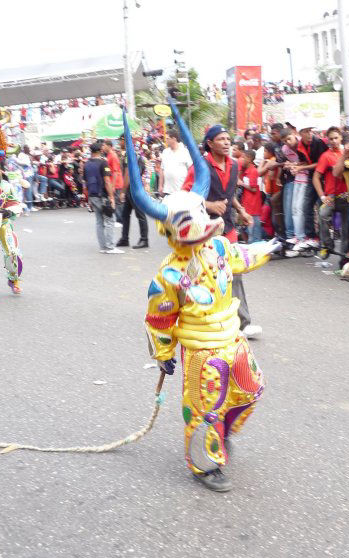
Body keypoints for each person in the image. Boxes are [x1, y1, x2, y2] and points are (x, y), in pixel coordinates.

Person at [123, 101, 280, 492]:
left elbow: (242, 256)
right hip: (201, 350)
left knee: (251, 388)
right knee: (204, 409)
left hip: (233, 338)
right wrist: (162, 356)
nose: (201, 228)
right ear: (173, 232)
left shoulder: (218, 249)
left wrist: (269, 248)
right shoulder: (169, 275)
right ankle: (205, 465)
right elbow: (158, 320)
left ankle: (223, 432)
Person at [182, 125, 262, 339]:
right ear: (210, 143)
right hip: (205, 229)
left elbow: (229, 193)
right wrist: (209, 205)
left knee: (234, 272)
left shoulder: (234, 165)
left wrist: (241, 210)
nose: (227, 142)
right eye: (221, 139)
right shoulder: (199, 167)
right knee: (206, 274)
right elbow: (184, 196)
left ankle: (242, 323)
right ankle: (203, 318)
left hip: (228, 228)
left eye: (228, 139)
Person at [312, 127, 348, 259]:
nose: (333, 141)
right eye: (331, 139)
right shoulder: (325, 156)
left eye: (336, 138)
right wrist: (322, 196)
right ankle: (327, 244)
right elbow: (316, 177)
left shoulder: (348, 152)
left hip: (347, 195)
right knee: (322, 214)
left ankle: (344, 257)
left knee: (346, 229)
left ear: (341, 138)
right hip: (331, 197)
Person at [291, 125, 328, 251]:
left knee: (322, 208)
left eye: (310, 131)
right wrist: (295, 165)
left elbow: (321, 163)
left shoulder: (318, 143)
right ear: (300, 133)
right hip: (312, 178)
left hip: (324, 179)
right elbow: (306, 162)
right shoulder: (300, 145)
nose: (309, 134)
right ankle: (311, 237)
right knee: (307, 206)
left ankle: (324, 240)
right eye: (306, 131)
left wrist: (301, 168)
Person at [0, 155, 24, 296]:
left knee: (12, 253)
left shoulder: (6, 186)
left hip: (4, 224)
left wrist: (8, 211)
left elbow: (15, 203)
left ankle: (13, 280)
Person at [83, 142, 122, 254]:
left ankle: (103, 247)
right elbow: (107, 180)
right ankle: (110, 246)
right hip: (102, 195)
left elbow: (84, 183)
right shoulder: (103, 163)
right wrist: (111, 197)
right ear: (100, 150)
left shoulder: (86, 164)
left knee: (99, 221)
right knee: (110, 219)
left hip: (92, 195)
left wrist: (87, 198)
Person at [116, 134, 149, 249]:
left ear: (124, 141)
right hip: (134, 187)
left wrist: (122, 191)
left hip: (133, 189)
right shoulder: (134, 153)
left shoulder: (129, 155)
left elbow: (127, 174)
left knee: (140, 214)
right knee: (125, 215)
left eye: (120, 140)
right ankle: (125, 238)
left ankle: (144, 239)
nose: (119, 143)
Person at [158, 129, 192, 197]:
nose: (166, 141)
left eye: (168, 138)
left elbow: (191, 170)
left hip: (182, 191)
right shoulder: (165, 152)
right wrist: (160, 186)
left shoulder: (185, 152)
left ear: (174, 139)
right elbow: (162, 170)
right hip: (167, 190)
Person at [238, 150, 263, 242]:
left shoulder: (253, 171)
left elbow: (254, 189)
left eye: (243, 157)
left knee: (254, 234)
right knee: (246, 230)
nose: (241, 159)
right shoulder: (246, 171)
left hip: (253, 207)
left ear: (249, 159)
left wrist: (242, 183)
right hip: (247, 206)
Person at [102, 139, 124, 221]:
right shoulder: (108, 155)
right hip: (113, 182)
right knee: (115, 201)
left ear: (109, 146)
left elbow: (115, 172)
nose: (103, 147)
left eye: (104, 145)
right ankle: (119, 220)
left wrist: (113, 186)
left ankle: (120, 220)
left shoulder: (113, 156)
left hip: (116, 183)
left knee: (117, 202)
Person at [17, 145, 36, 212]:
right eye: (28, 148)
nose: (29, 150)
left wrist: (30, 159)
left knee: (30, 190)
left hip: (30, 174)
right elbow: (19, 163)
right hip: (25, 175)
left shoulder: (27, 155)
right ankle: (29, 206)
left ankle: (30, 206)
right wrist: (26, 163)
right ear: (24, 149)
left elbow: (31, 164)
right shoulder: (21, 155)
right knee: (28, 190)